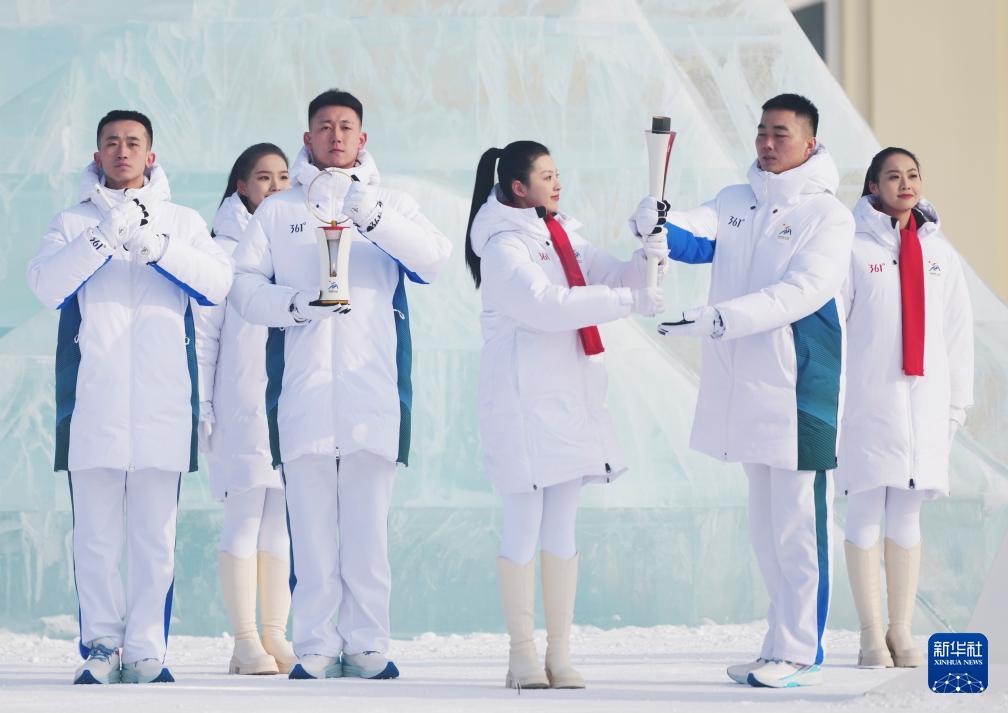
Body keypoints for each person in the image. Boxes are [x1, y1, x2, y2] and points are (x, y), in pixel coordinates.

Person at [229, 89, 451, 681]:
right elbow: (244, 289)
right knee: (311, 534)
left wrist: (370, 215)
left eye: (346, 126)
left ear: (362, 137)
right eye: (324, 127)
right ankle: (316, 645)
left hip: (370, 392)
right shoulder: (279, 211)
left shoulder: (392, 204)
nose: (335, 136)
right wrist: (298, 305)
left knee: (366, 533)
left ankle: (369, 643)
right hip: (303, 394)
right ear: (307, 138)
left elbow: (433, 260)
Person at [633, 94, 855, 687]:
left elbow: (800, 293)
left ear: (810, 143)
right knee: (765, 529)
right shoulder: (736, 200)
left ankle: (802, 650)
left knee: (799, 528)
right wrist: (655, 223)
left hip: (800, 391)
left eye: (781, 133)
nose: (767, 142)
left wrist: (717, 319)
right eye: (761, 131)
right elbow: (694, 236)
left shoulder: (828, 217)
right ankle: (777, 644)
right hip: (745, 388)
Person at [26, 110, 233, 684]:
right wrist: (101, 238)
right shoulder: (72, 221)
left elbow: (218, 284)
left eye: (133, 143)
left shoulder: (182, 221)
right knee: (94, 538)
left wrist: (157, 246)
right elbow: (45, 286)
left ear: (151, 155)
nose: (122, 151)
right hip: (92, 405)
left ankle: (145, 649)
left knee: (154, 538)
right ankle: (101, 646)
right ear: (97, 155)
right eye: (112, 143)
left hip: (163, 406)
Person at [466, 140, 667, 690]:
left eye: (558, 173)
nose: (558, 183)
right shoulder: (503, 247)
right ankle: (521, 654)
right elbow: (545, 307)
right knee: (523, 524)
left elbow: (619, 279)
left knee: (561, 526)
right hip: (523, 405)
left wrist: (649, 251)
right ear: (517, 187)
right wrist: (629, 303)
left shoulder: (561, 235)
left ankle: (559, 653)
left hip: (571, 400)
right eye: (547, 175)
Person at [838, 147, 974, 669]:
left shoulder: (941, 254)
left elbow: (957, 334)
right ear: (873, 186)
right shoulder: (852, 249)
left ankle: (901, 631)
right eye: (892, 176)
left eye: (912, 174)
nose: (905, 184)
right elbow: (837, 331)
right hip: (869, 404)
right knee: (864, 510)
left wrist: (956, 406)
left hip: (925, 408)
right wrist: (837, 403)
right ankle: (870, 635)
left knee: (908, 515)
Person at [195, 143, 296, 675]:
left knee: (280, 519)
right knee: (244, 515)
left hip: (286, 402)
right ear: (241, 186)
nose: (276, 187)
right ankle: (244, 640)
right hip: (240, 402)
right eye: (263, 178)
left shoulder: (294, 244)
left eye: (283, 177)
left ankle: (275, 634)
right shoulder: (222, 250)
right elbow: (205, 334)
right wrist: (204, 406)